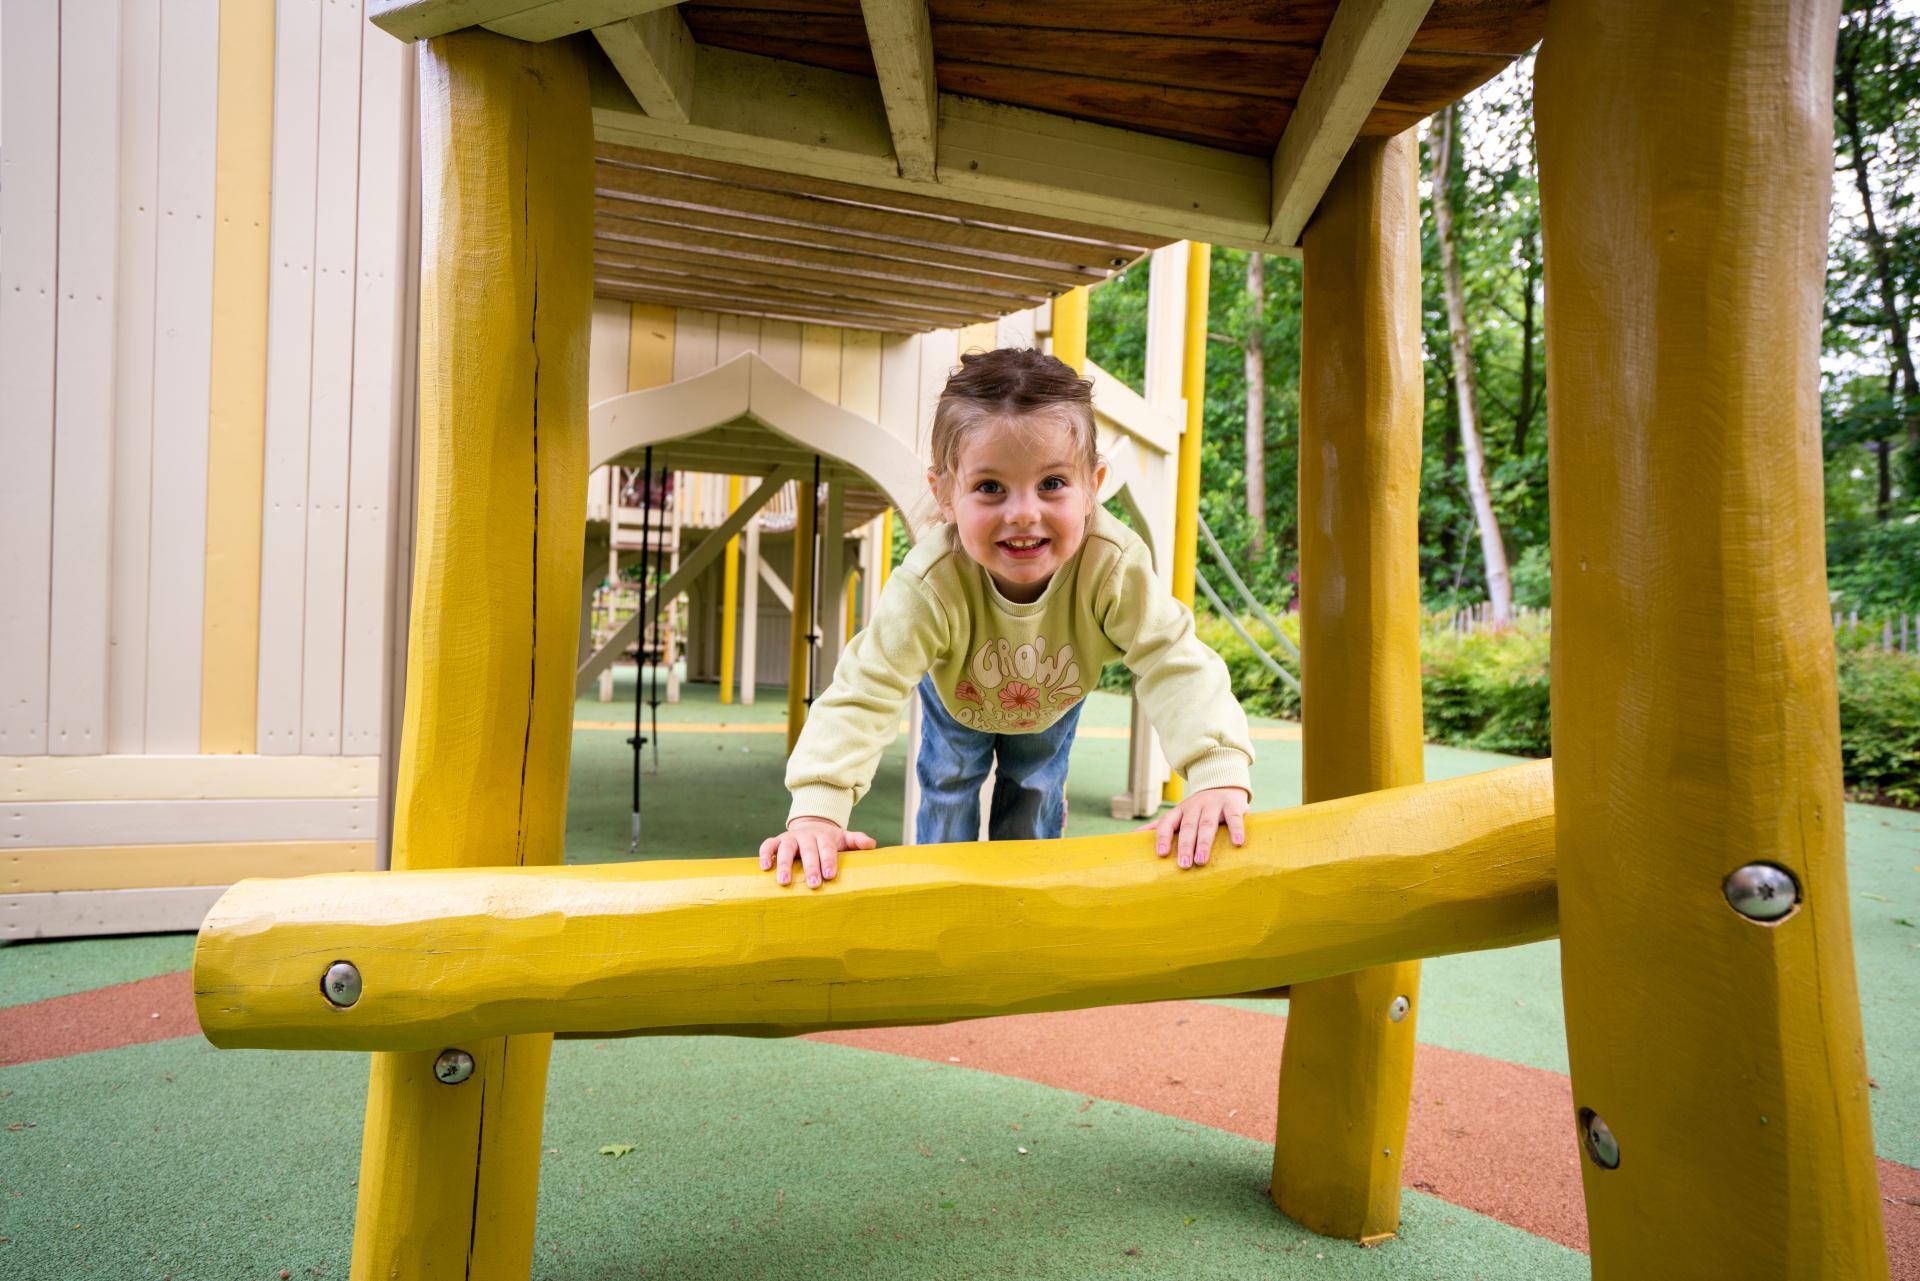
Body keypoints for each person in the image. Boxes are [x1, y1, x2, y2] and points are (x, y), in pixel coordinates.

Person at [758, 347, 1254, 889]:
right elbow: (867, 686)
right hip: (958, 699)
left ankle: (1028, 897)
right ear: (945, 493)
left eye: (1052, 484)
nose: (1023, 513)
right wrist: (818, 808)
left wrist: (1215, 772)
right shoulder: (931, 583)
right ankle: (939, 891)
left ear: (1093, 484)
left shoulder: (1112, 564)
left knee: (1036, 792)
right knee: (949, 785)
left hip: (1051, 703)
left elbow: (1171, 657)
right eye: (990, 487)